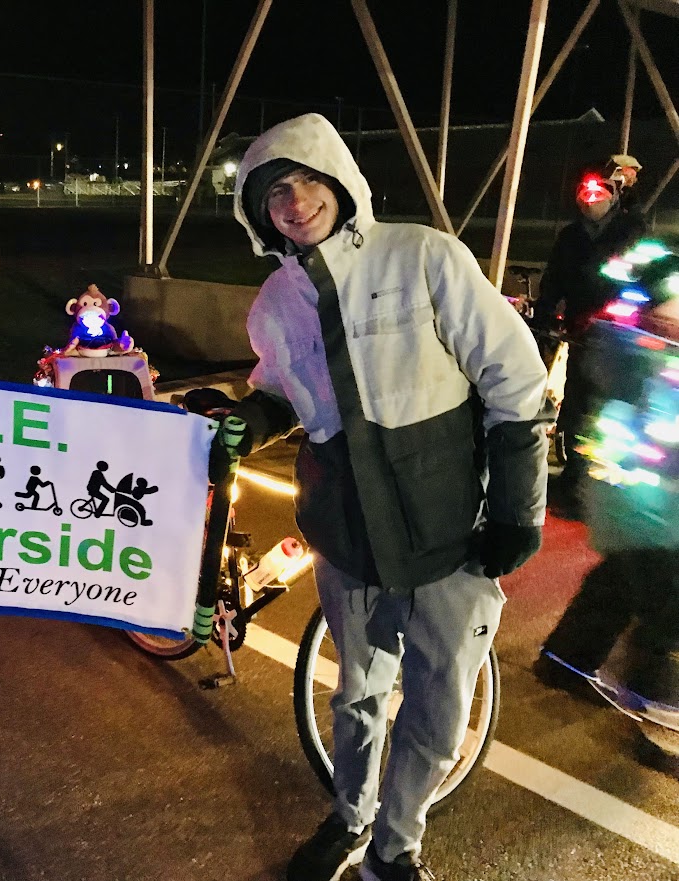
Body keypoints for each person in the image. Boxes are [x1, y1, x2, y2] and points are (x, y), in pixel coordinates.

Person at [220, 114, 551, 881]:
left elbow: (514, 376)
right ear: (257, 214)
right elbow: (282, 389)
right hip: (349, 538)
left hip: (449, 534)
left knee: (437, 709)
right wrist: (252, 415)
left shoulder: (424, 255)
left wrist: (515, 507)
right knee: (357, 698)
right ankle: (350, 818)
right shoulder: (275, 301)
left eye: (306, 181)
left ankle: (395, 847)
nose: (295, 202)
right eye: (273, 195)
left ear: (337, 179)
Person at [536, 241, 679, 723]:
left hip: (641, 503)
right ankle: (658, 703)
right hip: (648, 502)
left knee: (619, 581)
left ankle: (566, 659)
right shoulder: (643, 354)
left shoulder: (638, 349)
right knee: (667, 605)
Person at [533, 166, 646, 518]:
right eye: (586, 194)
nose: (592, 199)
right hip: (583, 333)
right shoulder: (570, 237)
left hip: (622, 336)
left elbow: (640, 274)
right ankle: (575, 481)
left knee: (615, 408)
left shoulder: (632, 229)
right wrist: (546, 316)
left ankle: (608, 484)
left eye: (600, 193)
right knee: (580, 406)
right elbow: (554, 279)